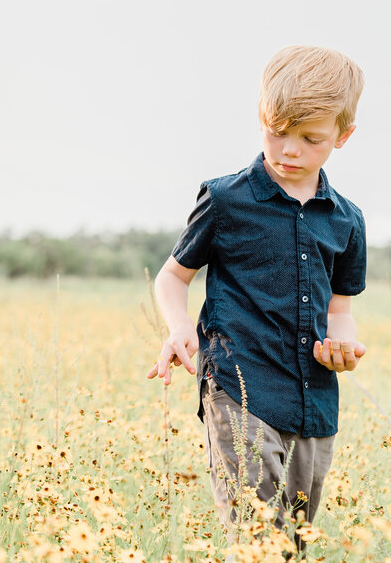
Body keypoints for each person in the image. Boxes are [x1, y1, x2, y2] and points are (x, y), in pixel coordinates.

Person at [147, 45, 366, 544]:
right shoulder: (226, 199)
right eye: (276, 131)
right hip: (236, 385)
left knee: (295, 541)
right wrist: (180, 327)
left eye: (310, 139)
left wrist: (342, 347)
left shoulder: (347, 220)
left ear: (342, 136)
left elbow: (341, 311)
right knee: (255, 537)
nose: (289, 149)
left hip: (313, 398)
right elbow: (172, 277)